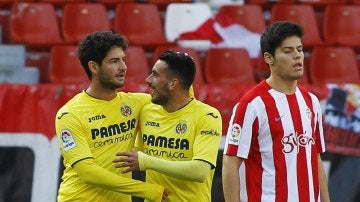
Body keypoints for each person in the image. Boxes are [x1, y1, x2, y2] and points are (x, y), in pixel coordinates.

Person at [222, 21, 330, 202]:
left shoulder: (311, 102)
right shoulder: (252, 104)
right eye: (288, 51)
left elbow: (315, 157)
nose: (298, 56)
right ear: (268, 58)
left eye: (300, 49)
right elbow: (230, 163)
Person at [55, 30, 169, 202]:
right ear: (93, 66)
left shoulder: (136, 103)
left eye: (123, 59)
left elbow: (178, 98)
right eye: (114, 61)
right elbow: (88, 172)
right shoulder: (69, 114)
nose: (123, 67)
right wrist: (146, 190)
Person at [113, 50, 222, 201]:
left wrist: (147, 162)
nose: (148, 79)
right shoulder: (147, 111)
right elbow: (136, 154)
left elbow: (200, 171)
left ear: (172, 83)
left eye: (155, 75)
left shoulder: (207, 116)